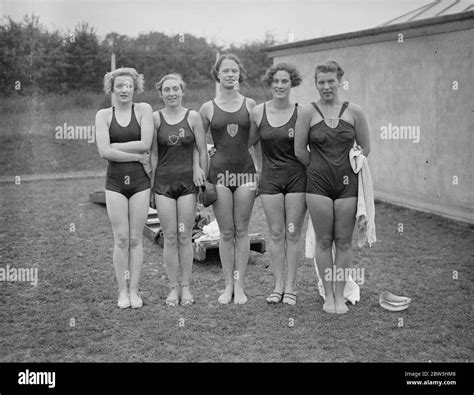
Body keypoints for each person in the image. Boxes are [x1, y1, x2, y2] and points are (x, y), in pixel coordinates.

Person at [294, 60, 370, 314]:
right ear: (316, 84)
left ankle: (340, 294)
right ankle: (328, 295)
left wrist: (347, 168)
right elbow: (299, 151)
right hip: (318, 185)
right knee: (324, 241)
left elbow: (365, 148)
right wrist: (319, 169)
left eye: (330, 81)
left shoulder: (354, 112)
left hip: (348, 185)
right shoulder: (307, 112)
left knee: (344, 241)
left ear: (340, 81)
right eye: (321, 82)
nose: (326, 87)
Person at [199, 54, 257, 304]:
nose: (230, 75)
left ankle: (240, 286)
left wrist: (261, 170)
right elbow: (197, 144)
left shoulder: (251, 105)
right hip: (219, 174)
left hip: (245, 172)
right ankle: (227, 286)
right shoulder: (207, 108)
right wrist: (199, 170)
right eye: (226, 71)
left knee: (242, 230)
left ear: (239, 74)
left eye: (234, 71)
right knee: (226, 232)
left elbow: (257, 140)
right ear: (218, 74)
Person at [95, 67, 154, 309]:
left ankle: (134, 290)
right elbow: (103, 152)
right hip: (115, 183)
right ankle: (122, 292)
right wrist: (137, 155)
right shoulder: (103, 115)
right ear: (112, 88)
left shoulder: (144, 110)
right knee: (120, 239)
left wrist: (116, 147)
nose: (124, 89)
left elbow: (146, 143)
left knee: (135, 238)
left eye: (128, 85)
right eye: (119, 85)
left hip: (140, 182)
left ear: (135, 87)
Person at [248, 63, 307, 305]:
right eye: (276, 81)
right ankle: (277, 285)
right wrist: (257, 168)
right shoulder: (257, 113)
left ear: (292, 83)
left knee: (292, 234)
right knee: (275, 233)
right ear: (270, 83)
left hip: (297, 178)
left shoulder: (303, 113)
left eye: (285, 81)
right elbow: (248, 143)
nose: (280, 85)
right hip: (270, 179)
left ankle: (291, 287)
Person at [151, 74, 208, 307]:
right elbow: (153, 155)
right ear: (161, 93)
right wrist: (151, 188)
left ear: (182, 91)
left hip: (188, 185)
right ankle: (173, 289)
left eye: (175, 88)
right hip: (164, 184)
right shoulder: (155, 118)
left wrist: (200, 173)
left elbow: (201, 149)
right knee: (170, 237)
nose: (171, 93)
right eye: (167, 90)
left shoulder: (192, 116)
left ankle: (186, 287)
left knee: (185, 236)